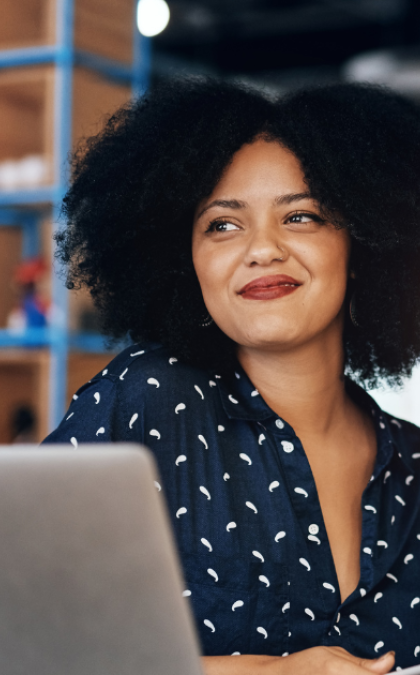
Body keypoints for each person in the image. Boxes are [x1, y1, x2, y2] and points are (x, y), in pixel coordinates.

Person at [43, 78, 420, 674]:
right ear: (185, 260)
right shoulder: (147, 400)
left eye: (301, 216)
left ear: (367, 244)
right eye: (222, 224)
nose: (262, 249)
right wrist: (265, 672)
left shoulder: (412, 464)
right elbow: (32, 641)